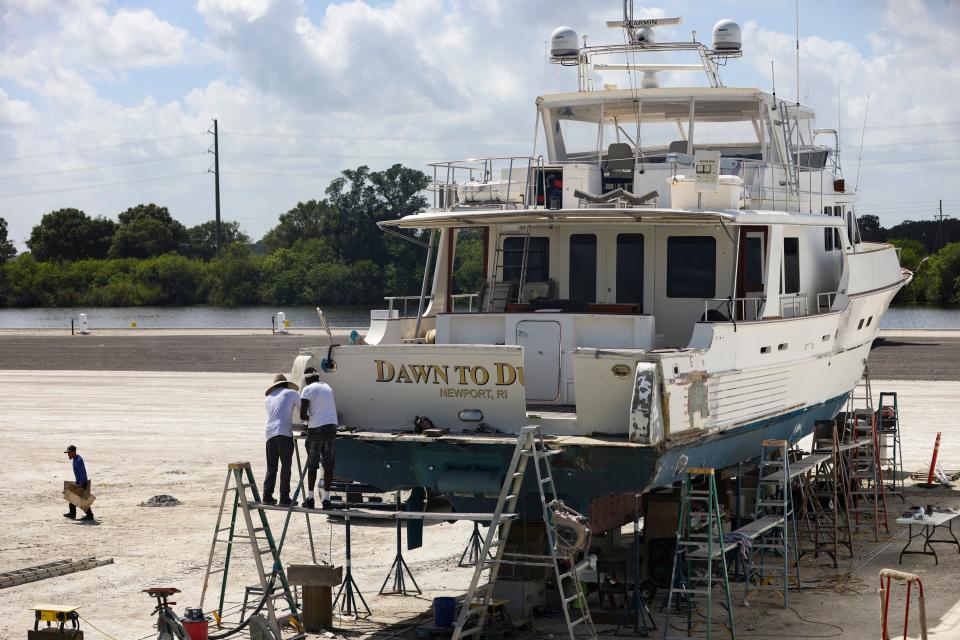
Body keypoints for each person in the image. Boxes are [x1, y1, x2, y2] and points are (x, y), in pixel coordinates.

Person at [300, 367, 338, 510]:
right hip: (332, 426)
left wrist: (309, 420)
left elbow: (303, 415)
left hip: (317, 428)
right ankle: (326, 500)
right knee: (328, 464)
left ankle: (310, 499)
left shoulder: (308, 389)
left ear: (307, 379)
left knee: (313, 463)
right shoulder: (327, 387)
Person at [263, 373, 301, 506]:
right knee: (286, 466)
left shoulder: (268, 398)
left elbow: (278, 414)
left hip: (269, 433)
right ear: (286, 384)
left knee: (272, 466)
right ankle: (284, 497)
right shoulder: (291, 393)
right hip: (284, 433)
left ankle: (267, 495)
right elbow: (304, 411)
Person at [63, 445, 94, 521]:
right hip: (80, 482)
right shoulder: (75, 459)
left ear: (74, 452)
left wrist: (80, 485)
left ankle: (89, 515)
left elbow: (82, 474)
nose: (68, 454)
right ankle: (72, 514)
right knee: (72, 498)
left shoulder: (78, 460)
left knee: (82, 501)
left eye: (69, 453)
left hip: (82, 483)